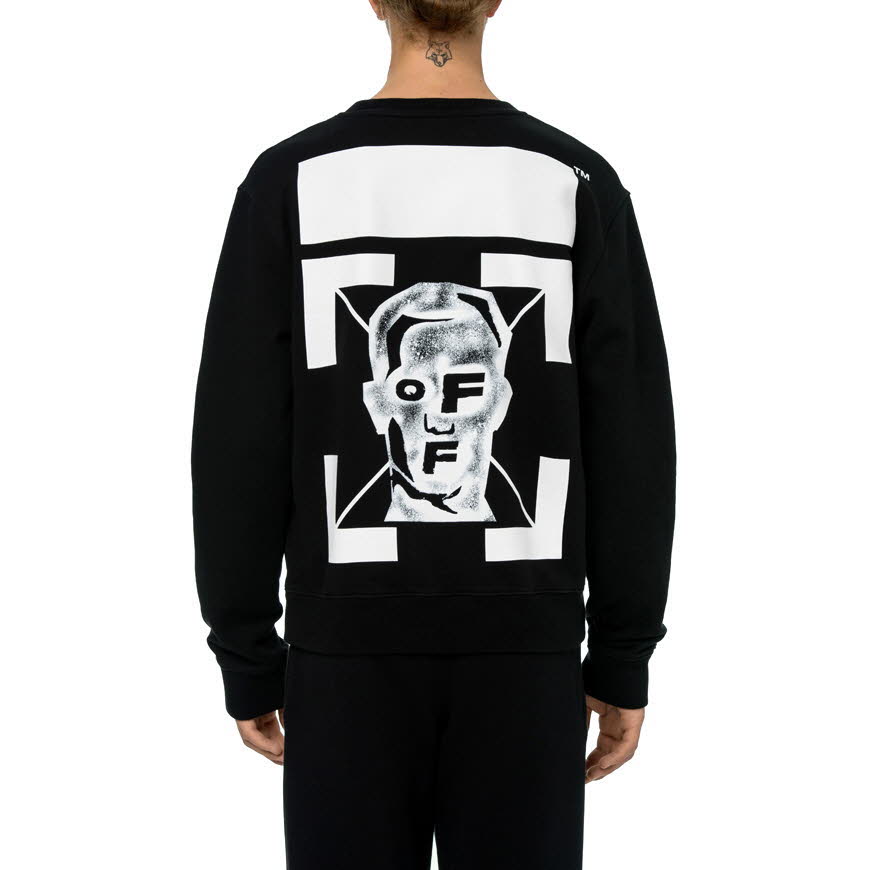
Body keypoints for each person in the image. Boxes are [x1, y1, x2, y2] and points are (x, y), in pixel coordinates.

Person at [192, 1, 676, 868]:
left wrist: (247, 652)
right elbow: (632, 438)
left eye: (466, 389)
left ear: (375, 1)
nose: (441, 417)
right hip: (527, 654)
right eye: (412, 391)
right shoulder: (573, 181)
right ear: (496, 1)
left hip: (341, 656)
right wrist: (622, 654)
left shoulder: (291, 180)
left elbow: (238, 437)